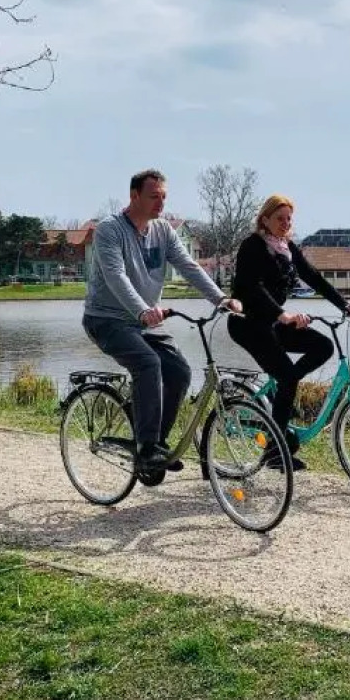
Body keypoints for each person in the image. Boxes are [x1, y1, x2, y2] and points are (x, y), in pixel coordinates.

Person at [83, 169, 242, 479]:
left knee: (180, 371)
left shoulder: (163, 231)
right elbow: (116, 276)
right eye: (153, 196)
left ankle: (156, 444)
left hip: (143, 321)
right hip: (107, 319)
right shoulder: (109, 230)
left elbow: (188, 266)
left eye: (164, 197)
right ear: (134, 196)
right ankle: (146, 447)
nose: (160, 204)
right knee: (147, 363)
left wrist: (220, 299)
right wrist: (144, 310)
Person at [228, 194, 350, 469]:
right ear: (265, 219)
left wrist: (343, 304)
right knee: (288, 376)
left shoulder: (286, 247)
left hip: (274, 323)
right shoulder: (252, 246)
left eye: (289, 219)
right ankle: (274, 453)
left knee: (323, 347)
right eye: (280, 218)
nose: (285, 223)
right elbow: (253, 289)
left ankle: (282, 394)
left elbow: (313, 277)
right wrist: (283, 314)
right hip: (248, 324)